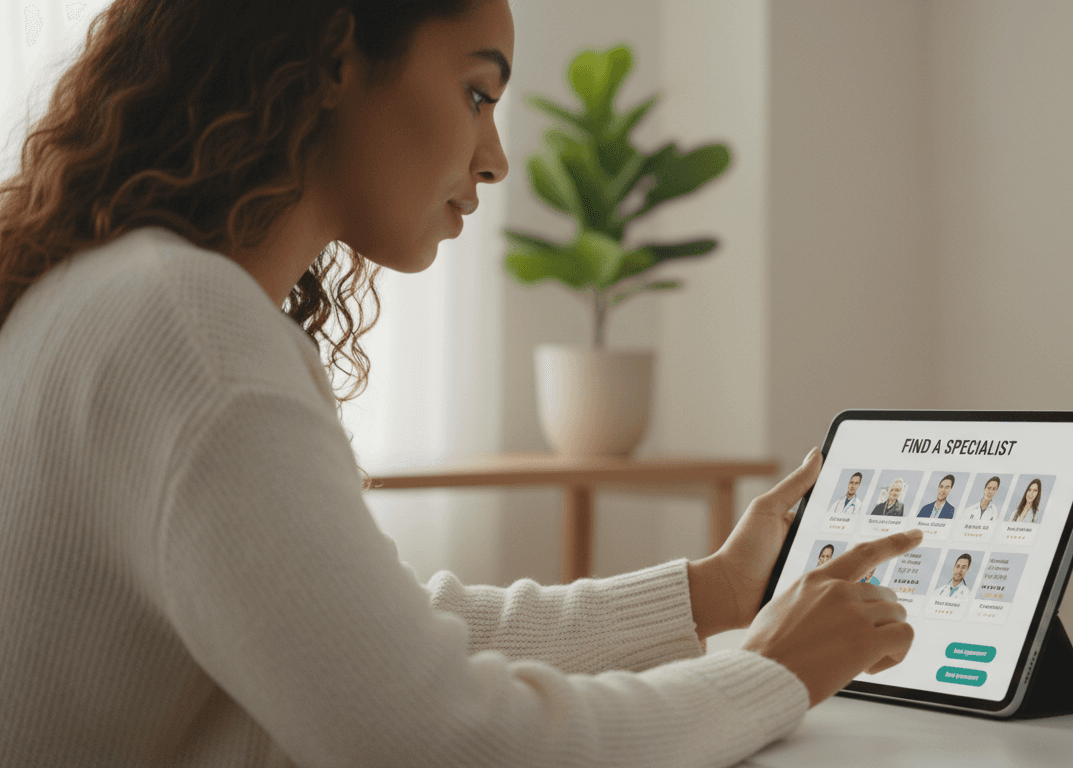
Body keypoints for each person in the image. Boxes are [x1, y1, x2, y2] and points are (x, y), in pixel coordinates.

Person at [0, 2, 923, 765]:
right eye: (476, 92)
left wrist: (720, 592)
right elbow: (446, 739)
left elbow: (388, 640)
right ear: (334, 55)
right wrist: (771, 671)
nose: (495, 158)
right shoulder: (187, 331)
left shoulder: (125, 297)